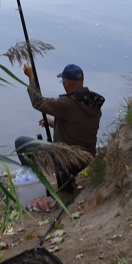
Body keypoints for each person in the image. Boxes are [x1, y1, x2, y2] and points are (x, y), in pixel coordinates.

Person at [15, 61, 105, 194]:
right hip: (86, 158)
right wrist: (53, 123)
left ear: (67, 82)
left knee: (21, 142)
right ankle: (64, 182)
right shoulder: (92, 104)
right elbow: (79, 125)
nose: (62, 84)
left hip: (68, 161)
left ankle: (40, 187)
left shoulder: (67, 103)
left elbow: (38, 102)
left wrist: (31, 77)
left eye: (62, 81)